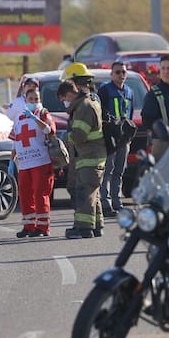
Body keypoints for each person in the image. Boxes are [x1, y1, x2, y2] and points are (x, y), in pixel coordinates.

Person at [60, 63, 107, 239]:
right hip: (92, 155)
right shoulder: (91, 101)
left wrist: (66, 138)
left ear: (77, 84)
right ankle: (97, 225)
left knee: (85, 191)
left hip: (89, 156)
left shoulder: (84, 106)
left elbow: (79, 135)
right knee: (92, 191)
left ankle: (83, 228)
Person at [9, 83, 56, 237]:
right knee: (25, 194)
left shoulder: (43, 113)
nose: (34, 100)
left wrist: (35, 118)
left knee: (40, 194)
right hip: (24, 163)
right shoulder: (20, 117)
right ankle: (29, 226)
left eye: (36, 98)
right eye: (31, 98)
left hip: (40, 162)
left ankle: (43, 228)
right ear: (25, 100)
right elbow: (16, 139)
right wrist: (12, 159)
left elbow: (49, 130)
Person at [97, 61, 134, 217]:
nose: (121, 75)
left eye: (123, 72)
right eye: (117, 72)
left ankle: (117, 202)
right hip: (110, 136)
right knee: (108, 170)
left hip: (124, 137)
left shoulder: (129, 91)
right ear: (111, 74)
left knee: (119, 170)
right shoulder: (105, 90)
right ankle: (105, 203)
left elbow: (130, 113)